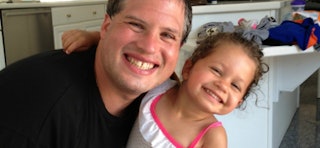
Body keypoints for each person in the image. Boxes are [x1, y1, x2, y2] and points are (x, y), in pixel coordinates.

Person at [0, 0, 192, 147]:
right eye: (136, 25)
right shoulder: (37, 110)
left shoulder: (162, 99)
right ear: (106, 27)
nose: (149, 47)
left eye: (167, 35)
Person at [61, 31, 268, 147]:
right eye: (216, 70)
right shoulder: (161, 85)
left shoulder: (211, 137)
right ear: (188, 67)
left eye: (235, 86)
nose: (222, 85)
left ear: (239, 100)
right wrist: (95, 38)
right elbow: (134, 51)